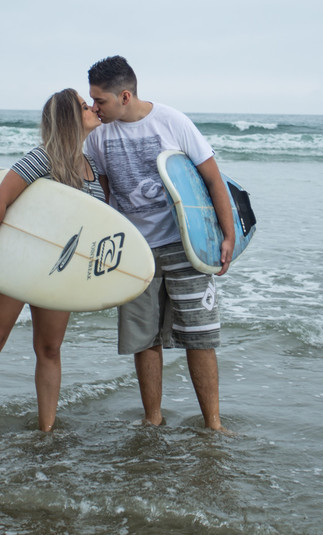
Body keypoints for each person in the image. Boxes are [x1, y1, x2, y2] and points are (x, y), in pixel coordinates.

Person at [83, 55, 236, 431]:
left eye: (99, 101)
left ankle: (213, 424)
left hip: (185, 245)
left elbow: (213, 179)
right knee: (143, 339)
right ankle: (153, 420)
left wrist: (227, 235)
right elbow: (99, 198)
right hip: (135, 251)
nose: (93, 108)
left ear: (124, 95)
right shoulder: (98, 137)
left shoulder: (172, 121)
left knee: (199, 337)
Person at [0, 88, 104, 433]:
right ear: (71, 118)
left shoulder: (93, 168)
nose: (93, 109)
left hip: (57, 270)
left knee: (50, 348)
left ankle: (47, 429)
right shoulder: (41, 158)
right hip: (16, 259)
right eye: (86, 106)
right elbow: (0, 199)